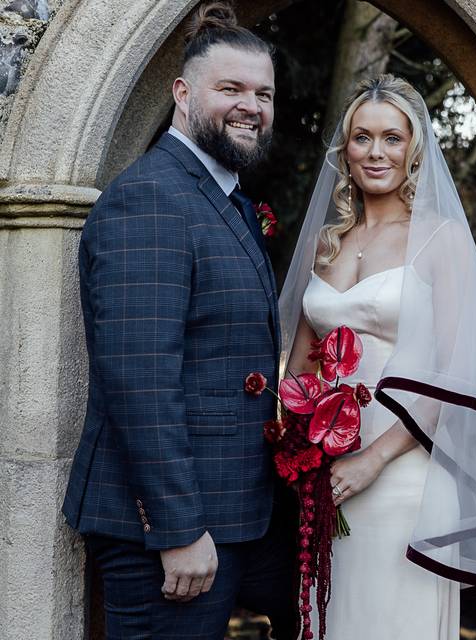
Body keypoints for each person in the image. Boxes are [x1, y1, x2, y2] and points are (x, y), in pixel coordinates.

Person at [280, 74, 476, 639]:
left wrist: (374, 457)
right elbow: (300, 368)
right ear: (345, 152)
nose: (376, 152)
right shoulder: (326, 243)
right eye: (362, 137)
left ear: (414, 149)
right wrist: (303, 454)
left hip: (406, 471)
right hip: (327, 476)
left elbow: (459, 371)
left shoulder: (439, 238)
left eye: (392, 138)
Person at [61, 3, 297, 638]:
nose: (252, 106)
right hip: (171, 534)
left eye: (264, 93)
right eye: (232, 89)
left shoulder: (223, 197)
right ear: (183, 94)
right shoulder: (151, 198)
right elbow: (140, 379)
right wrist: (178, 528)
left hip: (238, 509)